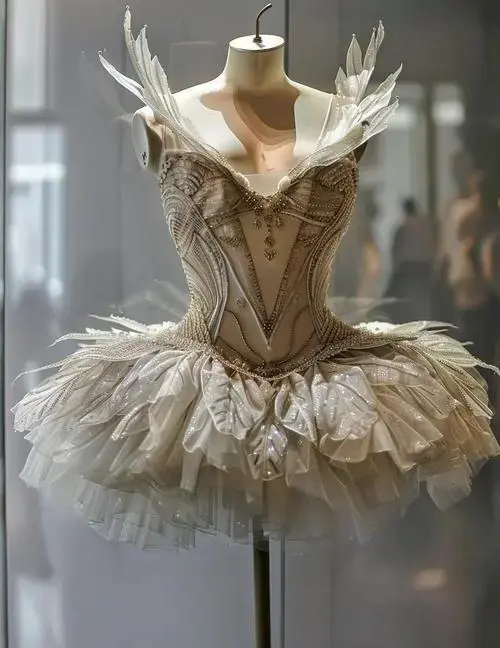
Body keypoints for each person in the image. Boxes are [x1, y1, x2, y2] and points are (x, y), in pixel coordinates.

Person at [386, 198, 434, 321]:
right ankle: (424, 320)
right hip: (425, 265)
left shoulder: (403, 227)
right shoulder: (426, 225)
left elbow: (396, 250)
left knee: (408, 296)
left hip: (408, 266)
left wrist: (395, 268)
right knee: (423, 297)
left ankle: (411, 320)